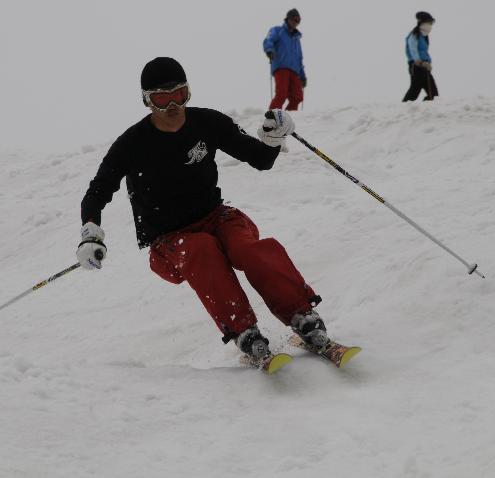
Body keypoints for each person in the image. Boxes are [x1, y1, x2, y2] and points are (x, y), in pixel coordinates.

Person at [76, 57, 328, 362]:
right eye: (161, 99)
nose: (173, 106)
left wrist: (273, 140)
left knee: (248, 249)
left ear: (188, 92)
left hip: (216, 218)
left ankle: (303, 316)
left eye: (179, 95)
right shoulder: (132, 144)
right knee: (202, 250)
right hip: (170, 240)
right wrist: (90, 232)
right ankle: (245, 333)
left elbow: (259, 159)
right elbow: (98, 191)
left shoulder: (207, 123)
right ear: (147, 102)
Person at [263, 8, 307, 111]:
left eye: (298, 20)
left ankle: (288, 116)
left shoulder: (296, 39)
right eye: (294, 19)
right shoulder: (278, 31)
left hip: (295, 71)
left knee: (297, 96)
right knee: (281, 94)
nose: (296, 22)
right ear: (288, 19)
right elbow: (269, 40)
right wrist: (269, 50)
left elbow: (299, 59)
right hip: (281, 67)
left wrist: (302, 76)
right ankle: (272, 116)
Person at [402, 11, 438, 102]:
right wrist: (419, 61)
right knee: (415, 89)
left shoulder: (424, 37)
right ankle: (404, 107)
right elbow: (413, 49)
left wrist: (428, 63)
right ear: (422, 23)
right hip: (417, 66)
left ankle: (428, 109)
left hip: (424, 66)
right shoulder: (414, 34)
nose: (430, 25)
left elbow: (424, 52)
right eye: (429, 22)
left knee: (433, 93)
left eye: (431, 23)